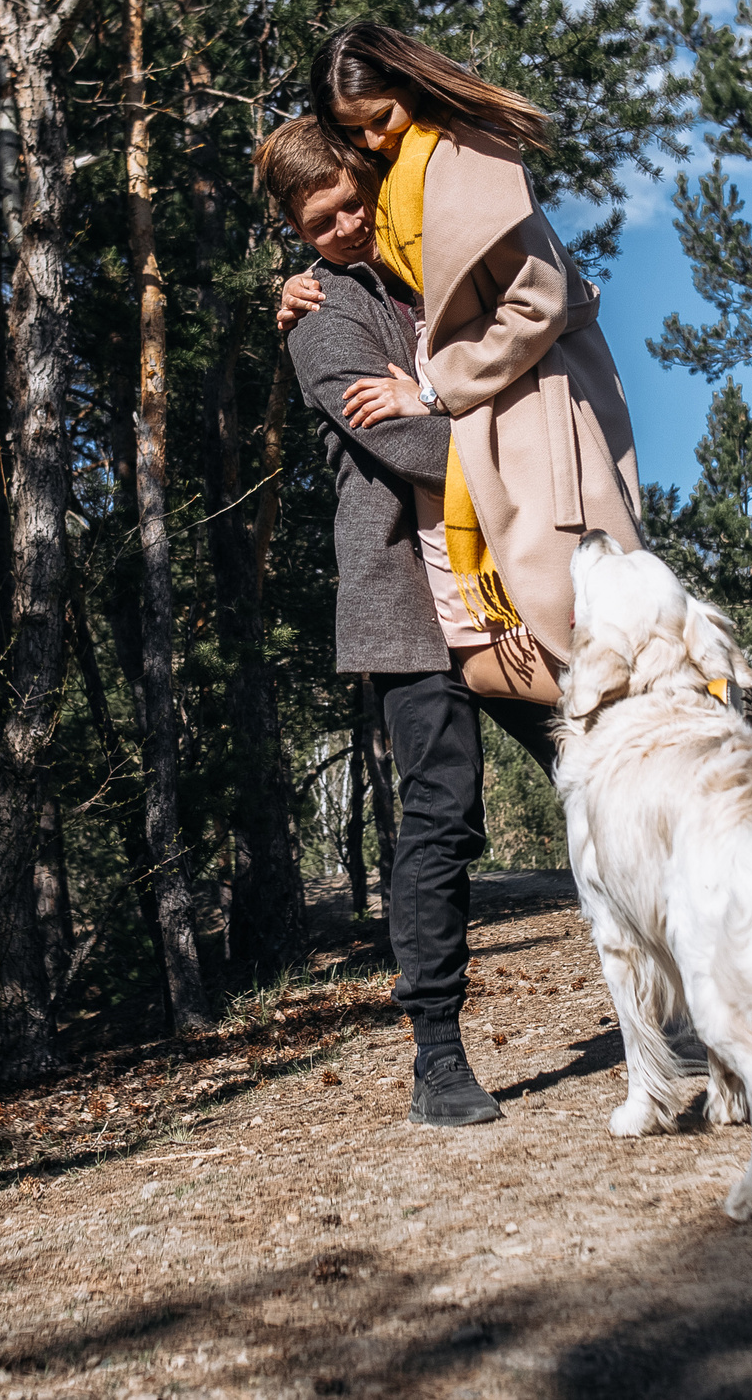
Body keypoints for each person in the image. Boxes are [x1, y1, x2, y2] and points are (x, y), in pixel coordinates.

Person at [258, 115, 562, 1127]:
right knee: (443, 817)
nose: (345, 224)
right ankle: (438, 1057)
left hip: (507, 578)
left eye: (353, 199)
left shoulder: (433, 268)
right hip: (404, 597)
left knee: (599, 763)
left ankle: (680, 1003)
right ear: (295, 230)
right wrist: (507, 441)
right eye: (321, 218)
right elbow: (408, 449)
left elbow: (531, 339)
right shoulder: (319, 316)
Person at [276, 23, 645, 706]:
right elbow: (393, 263)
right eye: (353, 135)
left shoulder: (461, 154)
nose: (371, 142)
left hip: (529, 406)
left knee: (594, 622)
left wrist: (433, 389)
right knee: (526, 642)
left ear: (409, 84)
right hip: (496, 403)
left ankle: (700, 705)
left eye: (378, 120)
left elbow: (539, 304)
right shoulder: (406, 168)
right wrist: (298, 282)